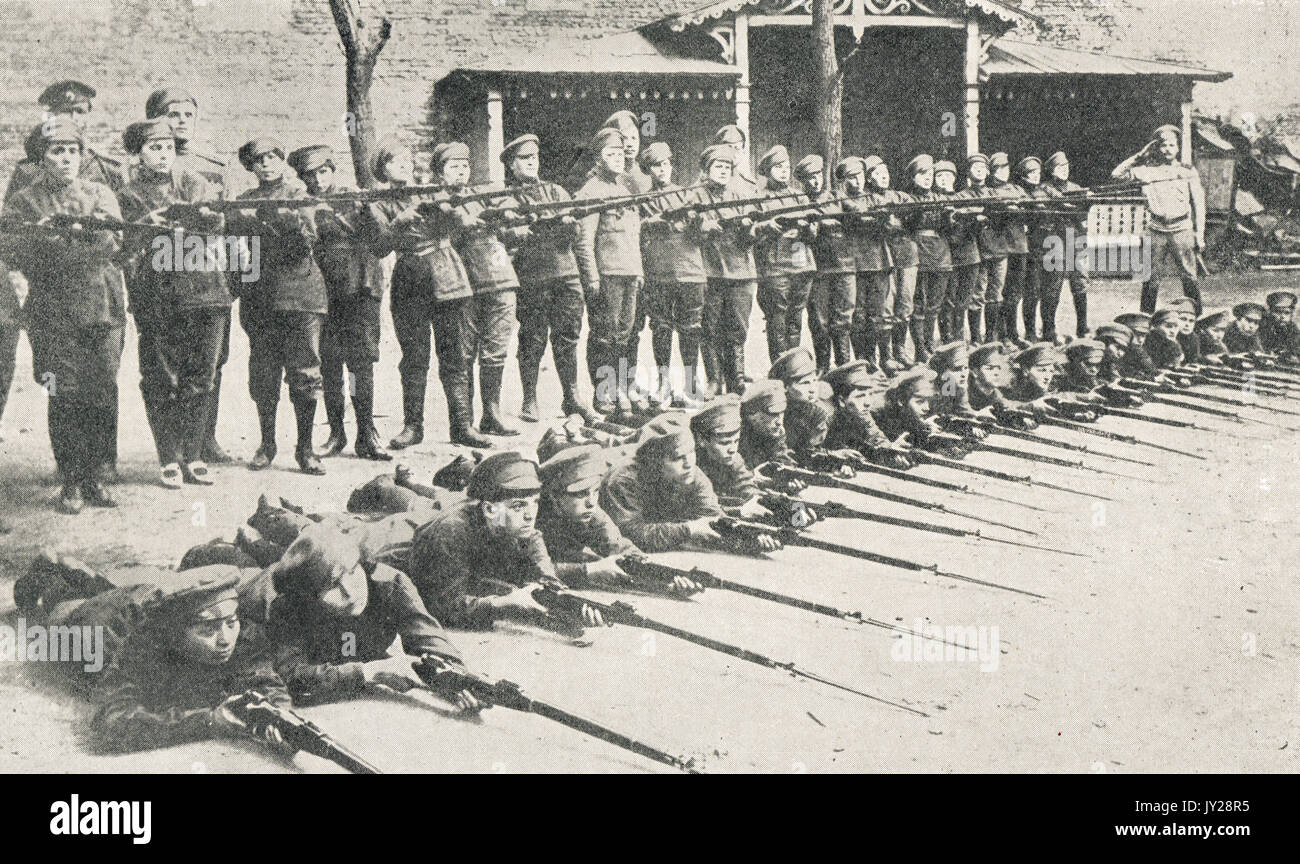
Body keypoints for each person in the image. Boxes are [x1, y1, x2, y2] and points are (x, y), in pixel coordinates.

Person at [1, 119, 124, 513]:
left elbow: (111, 243)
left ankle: (96, 478)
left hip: (101, 307)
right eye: (57, 151)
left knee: (100, 390)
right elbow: (16, 251)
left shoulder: (100, 193)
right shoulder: (25, 201)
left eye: (73, 150)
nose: (67, 158)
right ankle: (71, 480)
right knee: (62, 393)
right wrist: (61, 243)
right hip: (52, 314)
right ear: (42, 157)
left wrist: (68, 244)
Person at [117, 118, 230, 489]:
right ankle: (168, 456)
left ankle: (194, 455)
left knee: (201, 375)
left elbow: (217, 226)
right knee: (161, 376)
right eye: (154, 148)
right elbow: (125, 246)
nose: (163, 155)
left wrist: (201, 219)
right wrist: (153, 225)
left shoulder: (194, 183)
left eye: (167, 147)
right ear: (139, 154)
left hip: (204, 292)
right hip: (159, 297)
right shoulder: (129, 195)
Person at [266, 526, 476, 708]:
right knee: (263, 555)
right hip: (257, 589)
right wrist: (370, 671)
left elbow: (429, 639)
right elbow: (290, 678)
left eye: (350, 571)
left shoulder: (390, 584)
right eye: (331, 586)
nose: (349, 591)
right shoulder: (288, 609)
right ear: (309, 598)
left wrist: (453, 678)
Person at [87, 571, 294, 753]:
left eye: (231, 622)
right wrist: (208, 721)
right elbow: (113, 722)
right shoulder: (141, 649)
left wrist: (280, 719)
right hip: (96, 619)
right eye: (207, 630)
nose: (225, 639)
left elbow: (266, 683)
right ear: (175, 635)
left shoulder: (244, 637)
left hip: (150, 594)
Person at [375, 141, 492, 450]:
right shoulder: (377, 203)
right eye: (392, 161)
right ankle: (412, 427)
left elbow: (461, 220)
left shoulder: (430, 193)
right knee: (414, 357)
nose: (401, 164)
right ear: (382, 170)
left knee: (454, 355)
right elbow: (378, 247)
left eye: (405, 158)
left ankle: (462, 426)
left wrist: (448, 211)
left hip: (447, 273)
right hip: (410, 278)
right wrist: (397, 223)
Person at [227, 138, 328, 474]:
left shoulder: (300, 196)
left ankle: (306, 448)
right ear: (250, 167)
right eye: (259, 160)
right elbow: (239, 250)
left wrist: (285, 222)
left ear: (282, 160)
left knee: (305, 373)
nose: (267, 164)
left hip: (300, 294)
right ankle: (267, 444)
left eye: (273, 157)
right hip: (261, 298)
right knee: (264, 374)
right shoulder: (243, 202)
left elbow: (308, 241)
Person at [146, 87, 236, 464]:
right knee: (168, 363)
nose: (181, 121)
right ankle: (174, 445)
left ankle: (205, 439)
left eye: (187, 114)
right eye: (172, 114)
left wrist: (236, 276)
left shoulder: (213, 165)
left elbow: (230, 223)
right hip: (164, 276)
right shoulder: (143, 167)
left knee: (212, 359)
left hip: (209, 275)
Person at [287, 144, 389, 461]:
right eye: (309, 175)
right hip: (322, 293)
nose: (317, 180)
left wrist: (367, 211)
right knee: (329, 365)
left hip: (359, 289)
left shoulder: (352, 198)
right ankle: (336, 432)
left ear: (333, 170)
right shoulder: (301, 203)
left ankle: (366, 432)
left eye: (323, 172)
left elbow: (383, 242)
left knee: (359, 365)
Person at [408, 451, 576, 629]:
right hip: (402, 538)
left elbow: (533, 538)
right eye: (518, 506)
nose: (530, 515)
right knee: (400, 497)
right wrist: (504, 603)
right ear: (489, 509)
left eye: (534, 502)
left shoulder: (501, 518)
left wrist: (550, 582)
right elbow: (447, 608)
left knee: (441, 498)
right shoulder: (450, 532)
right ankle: (396, 482)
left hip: (452, 510)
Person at [501, 133, 599, 424]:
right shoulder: (506, 198)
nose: (531, 163)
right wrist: (524, 228)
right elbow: (506, 234)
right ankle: (530, 398)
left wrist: (568, 223)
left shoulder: (556, 191)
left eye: (534, 158)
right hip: (532, 275)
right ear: (511, 165)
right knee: (532, 337)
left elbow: (576, 232)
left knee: (568, 337)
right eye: (524, 159)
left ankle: (571, 396)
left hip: (566, 274)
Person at [436, 142, 524, 438]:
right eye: (453, 167)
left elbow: (508, 229)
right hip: (463, 285)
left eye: (465, 166)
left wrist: (512, 220)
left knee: (496, 350)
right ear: (441, 173)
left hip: (500, 279)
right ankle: (463, 422)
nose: (461, 172)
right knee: (462, 353)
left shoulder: (483, 197)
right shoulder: (436, 201)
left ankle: (492, 413)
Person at [575, 127, 644, 415]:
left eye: (619, 154)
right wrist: (591, 277)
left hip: (629, 274)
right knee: (605, 335)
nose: (617, 158)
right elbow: (584, 240)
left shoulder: (624, 189)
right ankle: (604, 392)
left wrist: (639, 271)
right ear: (599, 158)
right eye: (610, 154)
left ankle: (622, 389)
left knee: (624, 336)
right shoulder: (591, 191)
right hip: (607, 276)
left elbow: (633, 236)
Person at [637, 141, 707, 408]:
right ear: (648, 170)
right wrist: (650, 222)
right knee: (661, 327)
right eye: (657, 165)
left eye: (666, 164)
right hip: (659, 272)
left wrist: (697, 220)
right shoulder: (642, 199)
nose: (663, 170)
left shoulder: (687, 195)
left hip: (690, 269)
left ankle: (690, 384)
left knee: (691, 329)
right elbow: (636, 229)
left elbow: (701, 236)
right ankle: (663, 382)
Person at [1111, 124, 1205, 314]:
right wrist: (1140, 155)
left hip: (1182, 229)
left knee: (1189, 276)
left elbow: (1199, 204)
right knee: (1151, 278)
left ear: (1178, 148)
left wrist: (1199, 234)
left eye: (1172, 145)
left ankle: (1197, 318)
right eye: (1163, 145)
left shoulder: (1187, 171)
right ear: (1156, 148)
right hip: (1156, 230)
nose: (1168, 149)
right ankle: (1146, 319)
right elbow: (1116, 175)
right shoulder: (1146, 171)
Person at [600, 424, 728, 553]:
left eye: (691, 452)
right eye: (677, 458)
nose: (688, 463)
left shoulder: (689, 473)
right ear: (655, 463)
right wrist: (686, 530)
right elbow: (629, 534)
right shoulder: (624, 479)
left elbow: (710, 517)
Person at [696, 144, 760, 396]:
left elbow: (749, 238)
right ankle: (714, 380)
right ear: (707, 169)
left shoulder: (739, 195)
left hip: (741, 272)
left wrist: (750, 229)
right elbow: (690, 229)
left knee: (737, 329)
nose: (723, 171)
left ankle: (737, 380)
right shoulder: (696, 196)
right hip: (710, 272)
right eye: (718, 166)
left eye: (727, 167)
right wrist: (703, 226)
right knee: (709, 328)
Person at [4, 80, 127, 204]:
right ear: (51, 117)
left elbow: (123, 218)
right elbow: (10, 220)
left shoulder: (105, 169)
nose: (74, 118)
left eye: (80, 112)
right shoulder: (28, 170)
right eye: (65, 112)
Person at [535, 444, 640, 586]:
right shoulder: (530, 515)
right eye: (580, 494)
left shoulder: (591, 512)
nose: (591, 502)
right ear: (554, 495)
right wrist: (588, 569)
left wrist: (650, 568)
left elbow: (617, 545)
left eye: (595, 491)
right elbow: (533, 571)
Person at [753, 145, 816, 362]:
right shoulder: (759, 198)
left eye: (786, 167)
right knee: (777, 315)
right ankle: (780, 365)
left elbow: (813, 233)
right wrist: (771, 226)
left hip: (800, 262)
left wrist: (807, 227)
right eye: (778, 167)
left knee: (796, 315)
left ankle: (794, 364)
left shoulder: (800, 197)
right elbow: (754, 236)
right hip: (775, 263)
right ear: (768, 170)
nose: (783, 171)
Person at [798, 155, 855, 372]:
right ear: (803, 181)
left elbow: (856, 215)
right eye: (810, 178)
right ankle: (823, 366)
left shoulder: (837, 197)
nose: (815, 181)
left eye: (818, 176)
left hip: (844, 265)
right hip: (818, 269)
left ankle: (844, 364)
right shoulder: (801, 202)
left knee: (843, 317)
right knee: (819, 320)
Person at [904, 155, 953, 361]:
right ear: (913, 177)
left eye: (930, 174)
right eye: (922, 174)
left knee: (935, 303)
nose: (927, 178)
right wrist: (917, 212)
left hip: (940, 253)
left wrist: (949, 217)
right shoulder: (907, 199)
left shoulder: (939, 198)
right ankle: (920, 347)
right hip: (919, 251)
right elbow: (908, 225)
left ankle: (930, 342)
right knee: (919, 303)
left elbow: (947, 229)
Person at [822, 359, 912, 468]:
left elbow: (874, 435)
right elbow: (805, 451)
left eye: (870, 395)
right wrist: (834, 454)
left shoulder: (860, 411)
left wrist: (889, 448)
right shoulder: (825, 415)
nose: (867, 403)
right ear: (841, 400)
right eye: (860, 396)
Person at [1039, 152, 1089, 341]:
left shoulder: (1075, 188)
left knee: (1080, 283)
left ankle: (1083, 328)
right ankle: (1049, 330)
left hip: (1075, 238)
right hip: (1054, 239)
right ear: (1052, 171)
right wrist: (1068, 206)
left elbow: (1083, 212)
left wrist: (1077, 206)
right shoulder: (1044, 189)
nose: (1064, 170)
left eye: (1066, 167)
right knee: (1053, 285)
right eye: (1060, 168)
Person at [739, 378, 795, 468]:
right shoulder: (735, 435)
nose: (779, 422)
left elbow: (781, 459)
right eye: (773, 414)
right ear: (753, 414)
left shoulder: (776, 431)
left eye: (782, 413)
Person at [1261, 291, 1300, 361]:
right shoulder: (1261, 326)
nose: (1282, 316)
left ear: (1292, 314)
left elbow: (1296, 348)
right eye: (1278, 312)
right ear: (1270, 312)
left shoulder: (1293, 328)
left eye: (1287, 313)